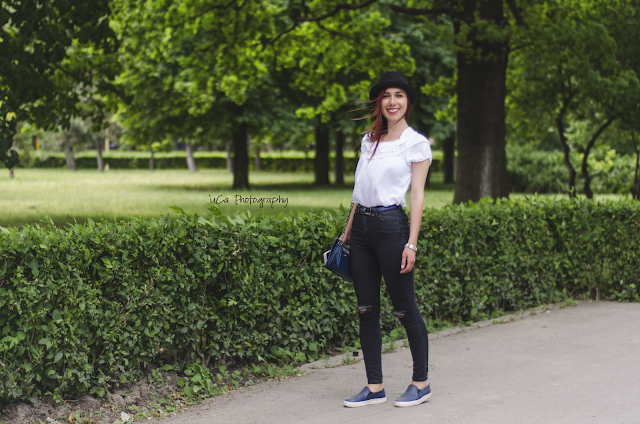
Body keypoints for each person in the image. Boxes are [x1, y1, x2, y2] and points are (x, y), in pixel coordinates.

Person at [340, 71, 432, 408]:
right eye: (386, 95)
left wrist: (412, 243)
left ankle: (420, 383)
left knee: (404, 309)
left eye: (399, 95)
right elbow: (359, 190)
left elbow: (418, 197)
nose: (392, 101)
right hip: (362, 230)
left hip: (392, 227)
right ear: (379, 101)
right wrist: (349, 228)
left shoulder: (416, 143)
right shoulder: (369, 140)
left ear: (408, 103)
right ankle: (375, 387)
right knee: (366, 309)